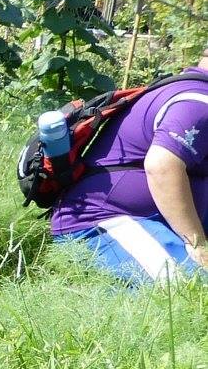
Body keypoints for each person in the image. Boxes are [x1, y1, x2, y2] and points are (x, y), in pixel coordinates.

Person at [51, 51, 208, 283]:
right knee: (194, 294)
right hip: (101, 222)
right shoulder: (198, 102)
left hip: (148, 222)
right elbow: (162, 166)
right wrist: (198, 245)